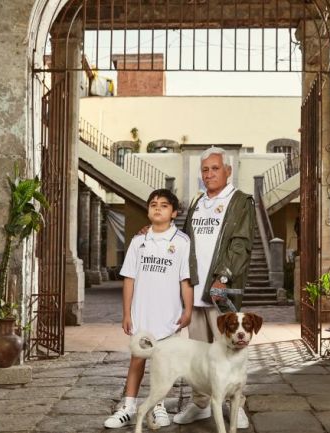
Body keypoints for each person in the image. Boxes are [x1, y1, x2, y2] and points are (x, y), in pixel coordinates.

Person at [173, 146, 256, 429]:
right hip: (194, 291)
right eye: (205, 169)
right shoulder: (197, 202)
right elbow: (184, 240)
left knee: (230, 349)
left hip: (220, 291)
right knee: (198, 355)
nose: (209, 174)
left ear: (228, 171)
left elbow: (241, 243)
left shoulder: (240, 201)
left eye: (215, 168)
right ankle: (200, 404)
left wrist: (224, 276)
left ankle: (236, 405)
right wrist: (155, 231)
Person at [103, 189, 194, 429]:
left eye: (164, 205)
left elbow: (185, 280)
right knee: (137, 361)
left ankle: (159, 406)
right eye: (153, 204)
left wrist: (188, 309)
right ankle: (128, 407)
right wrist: (126, 313)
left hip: (169, 316)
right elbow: (129, 279)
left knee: (163, 364)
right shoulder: (138, 241)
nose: (157, 208)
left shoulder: (182, 242)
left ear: (173, 213)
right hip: (142, 315)